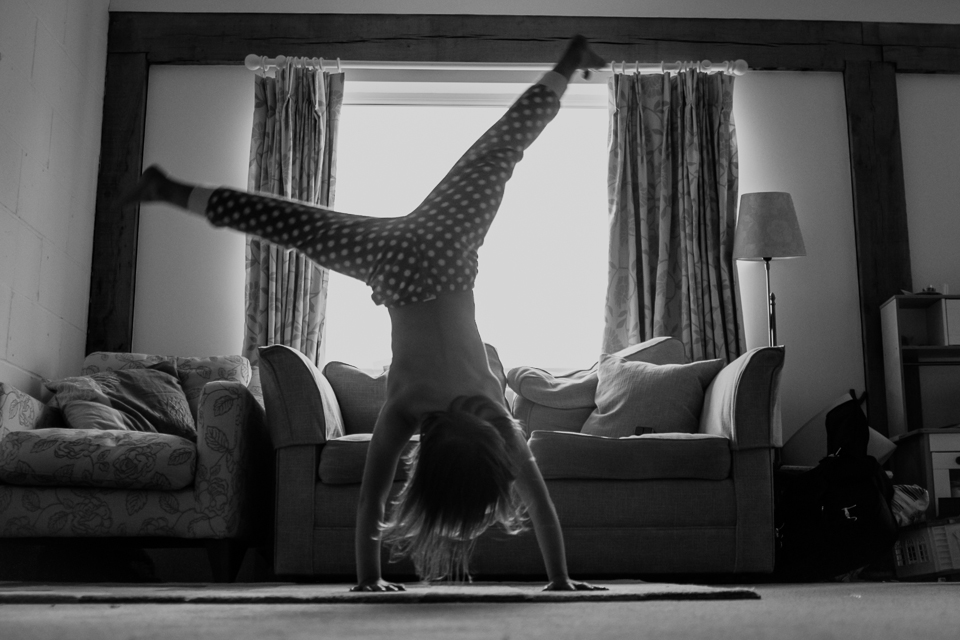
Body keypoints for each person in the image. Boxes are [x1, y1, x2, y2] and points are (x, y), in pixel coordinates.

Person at [123, 35, 607, 592]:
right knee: (291, 222)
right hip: (394, 266)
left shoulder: (494, 418)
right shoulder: (405, 412)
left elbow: (531, 503)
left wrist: (560, 578)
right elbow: (374, 502)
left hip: (442, 248)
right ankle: (168, 188)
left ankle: (567, 65)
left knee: (497, 150)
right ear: (427, 467)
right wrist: (368, 579)